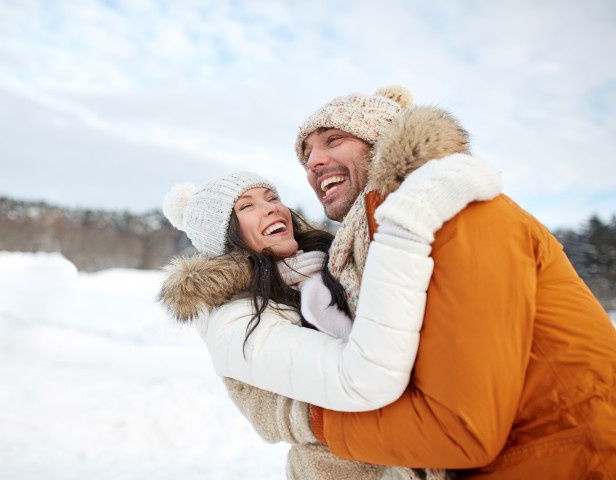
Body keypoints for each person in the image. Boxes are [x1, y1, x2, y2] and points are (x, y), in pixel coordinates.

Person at [177, 85, 616, 478]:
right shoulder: (370, 248)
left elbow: (459, 428)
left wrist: (308, 421)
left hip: (568, 458)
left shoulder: (453, 217)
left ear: (382, 142)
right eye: (306, 153)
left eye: (333, 140)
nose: (312, 162)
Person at [159, 111, 502, 478]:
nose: (272, 207)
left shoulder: (332, 261)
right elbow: (355, 379)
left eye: (270, 196)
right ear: (226, 236)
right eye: (247, 206)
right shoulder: (234, 316)